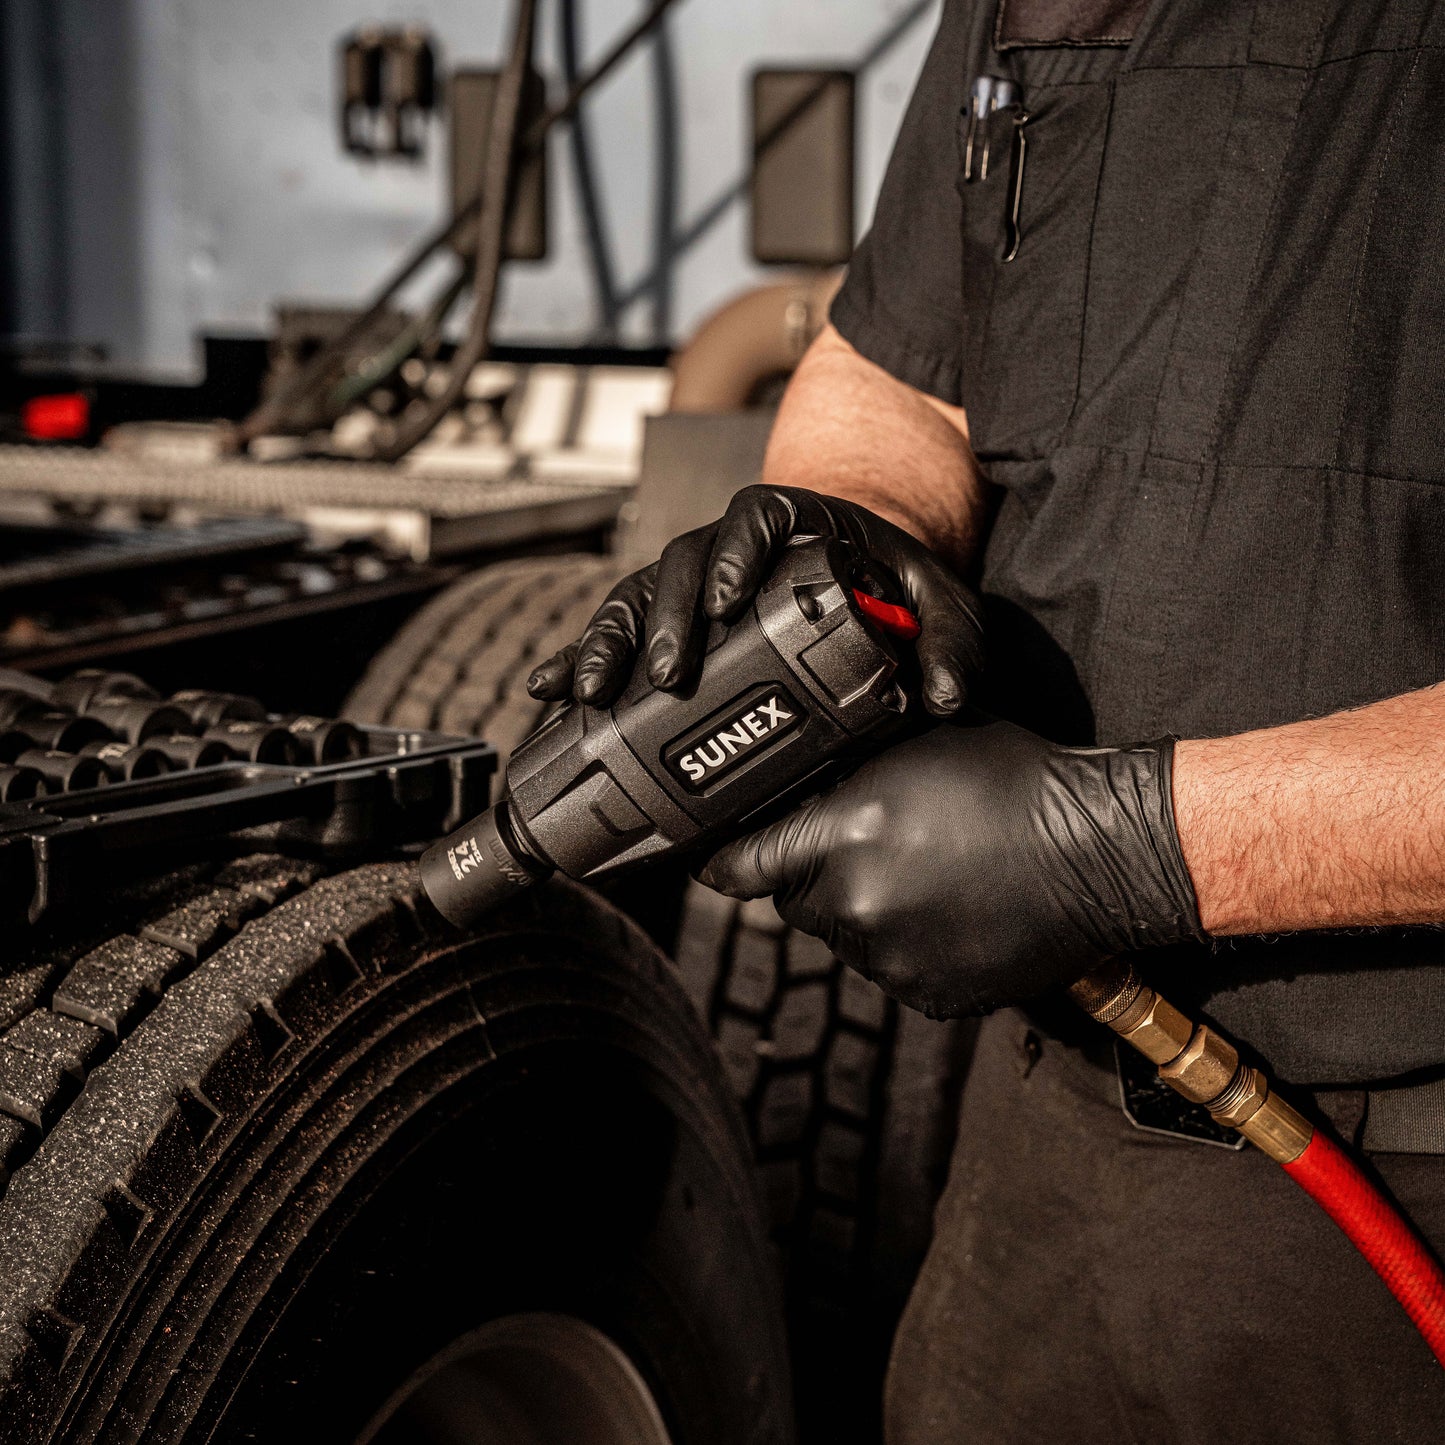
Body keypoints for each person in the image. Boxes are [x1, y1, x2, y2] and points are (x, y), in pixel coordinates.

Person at [528, 0, 1445, 1437]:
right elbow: (903, 369)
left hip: (1403, 1189)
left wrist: (1130, 846)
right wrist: (845, 531)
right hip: (1045, 1153)